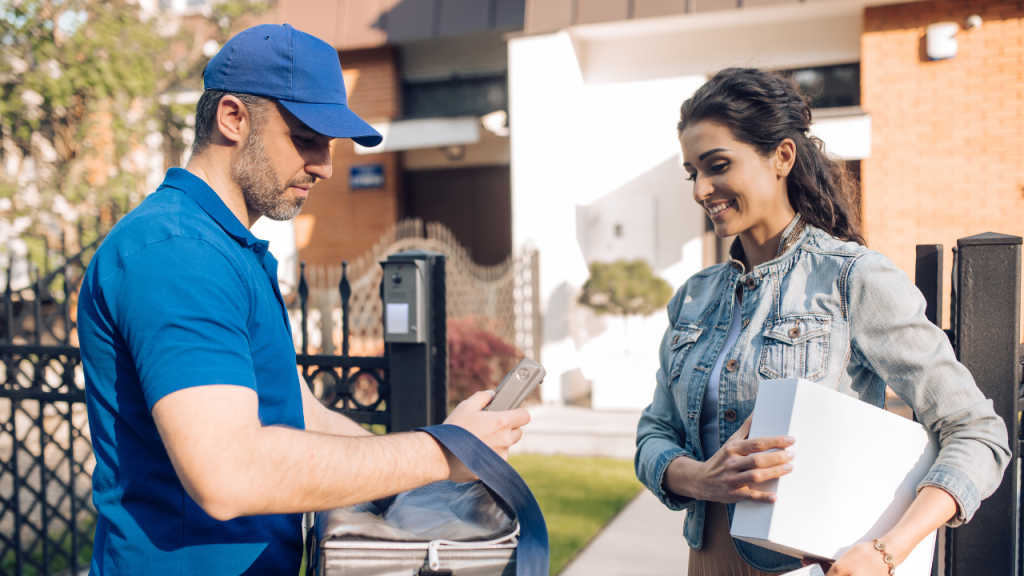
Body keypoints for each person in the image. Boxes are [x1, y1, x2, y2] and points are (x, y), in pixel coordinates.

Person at [78, 24, 529, 575]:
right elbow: (227, 473)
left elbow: (299, 412)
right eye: (306, 138)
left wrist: (435, 461)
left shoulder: (226, 247)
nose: (325, 166)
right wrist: (441, 452)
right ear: (233, 118)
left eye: (331, 144)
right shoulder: (176, 253)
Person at [634, 67, 1010, 576]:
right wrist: (700, 479)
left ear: (781, 156)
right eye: (691, 173)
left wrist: (885, 551)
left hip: (814, 567)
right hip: (704, 562)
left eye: (717, 165)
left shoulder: (853, 277)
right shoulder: (694, 297)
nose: (701, 189)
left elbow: (977, 432)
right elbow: (654, 434)